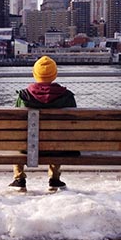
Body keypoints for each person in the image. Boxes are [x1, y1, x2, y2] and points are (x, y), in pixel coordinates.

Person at [10, 55, 76, 191]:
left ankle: (19, 178)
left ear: (35, 74)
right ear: (55, 75)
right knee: (59, 136)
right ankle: (55, 178)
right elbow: (73, 124)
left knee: (18, 138)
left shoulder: (24, 96)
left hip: (26, 147)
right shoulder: (67, 96)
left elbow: (15, 123)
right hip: (57, 147)